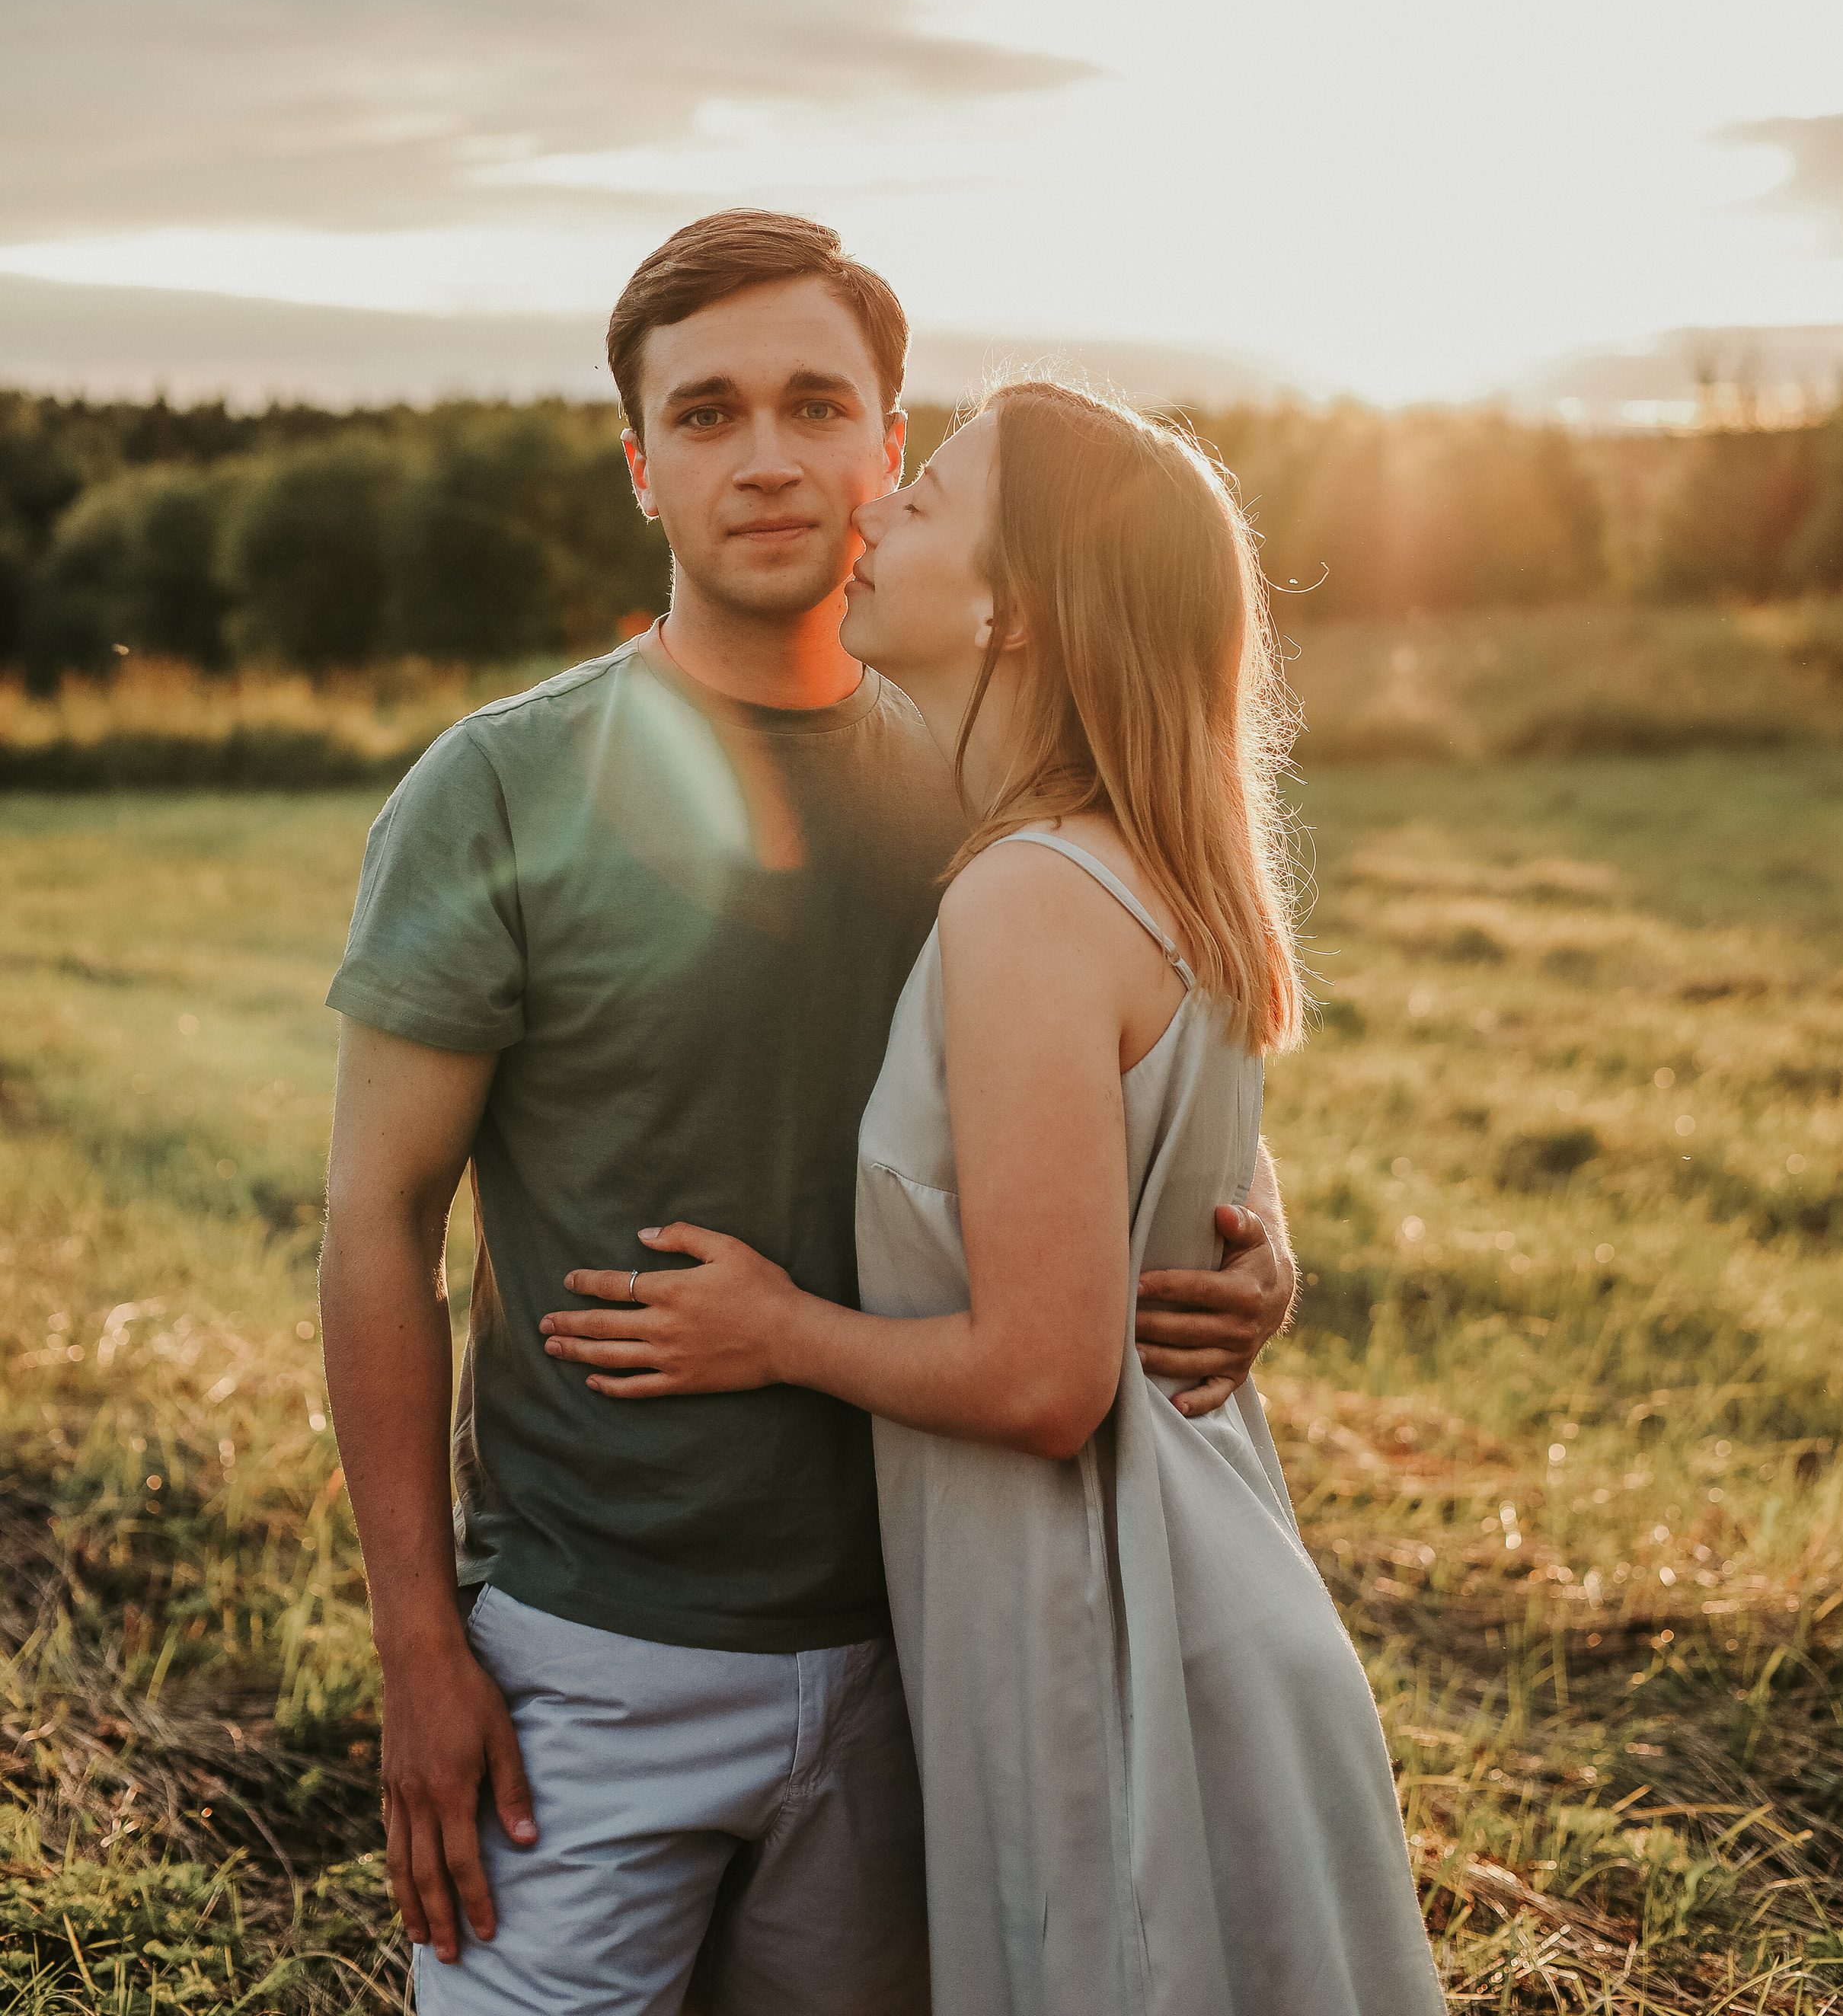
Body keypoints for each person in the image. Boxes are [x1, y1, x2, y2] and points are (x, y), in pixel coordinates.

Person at [318, 212, 1297, 2016]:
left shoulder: (984, 783)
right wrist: (415, 1644)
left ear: (887, 452)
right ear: (638, 469)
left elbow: (1124, 1065)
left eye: (811, 406)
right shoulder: (495, 791)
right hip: (586, 1658)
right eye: (701, 416)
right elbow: (375, 1223)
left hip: (923, 1658)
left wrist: (1247, 1242)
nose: (761, 457)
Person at [539, 379, 1445, 2016]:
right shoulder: (1118, 862)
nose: (868, 509)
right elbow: (1170, 1150)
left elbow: (1040, 1379)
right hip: (1189, 1614)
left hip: (1114, 1648)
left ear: (1012, 609)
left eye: (927, 499)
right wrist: (1258, 1238)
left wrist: (774, 1331)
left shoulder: (1025, 897)